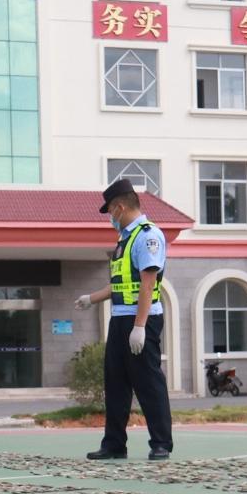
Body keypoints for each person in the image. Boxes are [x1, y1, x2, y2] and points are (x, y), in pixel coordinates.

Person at [75, 179, 172, 461]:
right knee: (115, 383)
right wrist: (91, 298)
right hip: (120, 321)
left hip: (141, 320)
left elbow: (147, 283)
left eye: (110, 212)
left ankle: (161, 443)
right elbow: (121, 285)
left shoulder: (147, 236)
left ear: (119, 207)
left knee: (148, 382)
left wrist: (140, 327)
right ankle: (114, 444)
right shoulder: (125, 239)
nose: (110, 218)